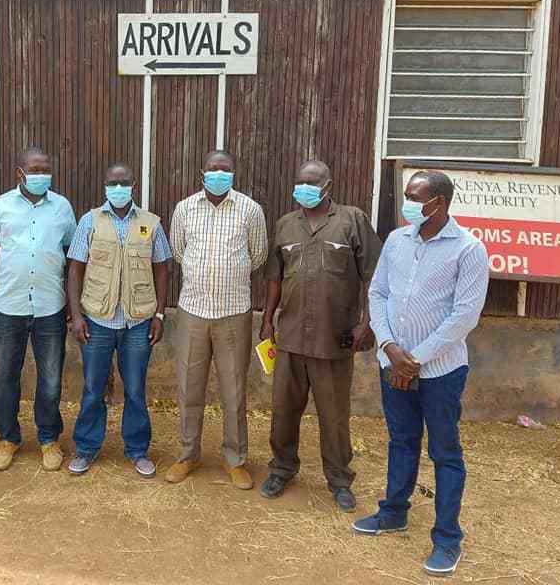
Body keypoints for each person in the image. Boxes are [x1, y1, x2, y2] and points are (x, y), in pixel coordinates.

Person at [353, 170, 489, 578]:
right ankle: (393, 512)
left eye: (416, 197)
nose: (407, 203)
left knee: (445, 454)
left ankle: (447, 539)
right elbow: (377, 294)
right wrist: (389, 348)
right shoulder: (397, 240)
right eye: (408, 196)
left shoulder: (468, 250)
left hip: (441, 372)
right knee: (402, 442)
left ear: (440, 203)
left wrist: (415, 360)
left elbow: (464, 315)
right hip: (391, 362)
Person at [259, 160, 382, 511]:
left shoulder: (351, 220)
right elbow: (274, 277)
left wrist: (367, 321)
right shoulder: (285, 225)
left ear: (328, 185)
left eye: (311, 182)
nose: (304, 188)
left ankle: (340, 479)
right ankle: (282, 469)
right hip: (291, 337)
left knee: (334, 415)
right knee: (283, 410)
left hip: (334, 338)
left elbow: (374, 274)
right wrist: (268, 320)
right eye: (299, 182)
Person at [0, 147, 77, 472]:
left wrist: (73, 305)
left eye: (46, 168)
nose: (41, 173)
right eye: (35, 168)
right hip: (8, 305)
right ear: (20, 172)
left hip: (50, 306)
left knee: (51, 379)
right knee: (4, 378)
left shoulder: (62, 207)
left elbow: (72, 257)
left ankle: (48, 438)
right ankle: (8, 437)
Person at [165, 150, 268, 490]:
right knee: (188, 388)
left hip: (234, 311)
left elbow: (258, 256)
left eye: (225, 170)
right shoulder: (185, 209)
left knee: (234, 389)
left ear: (234, 174)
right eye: (213, 169)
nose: (219, 174)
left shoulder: (250, 210)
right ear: (202, 173)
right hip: (193, 310)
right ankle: (187, 454)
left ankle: (235, 458)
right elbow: (179, 253)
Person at [65, 163, 171, 478]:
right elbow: (74, 270)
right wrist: (76, 315)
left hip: (138, 321)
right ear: (105, 185)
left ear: (133, 184)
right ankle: (86, 448)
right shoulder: (90, 221)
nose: (119, 187)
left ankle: (137, 450)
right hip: (97, 319)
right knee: (93, 387)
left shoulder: (150, 223)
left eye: (124, 182)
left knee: (136, 389)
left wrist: (160, 314)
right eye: (113, 182)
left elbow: (162, 268)